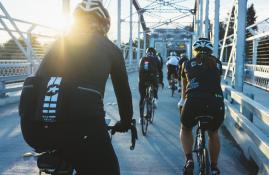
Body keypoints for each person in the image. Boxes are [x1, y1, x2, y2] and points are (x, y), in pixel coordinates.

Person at [19, 1, 133, 174]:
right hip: (83, 129)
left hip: (32, 130)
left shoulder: (59, 44)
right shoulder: (111, 49)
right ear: (105, 24)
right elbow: (123, 93)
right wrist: (125, 122)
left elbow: (38, 81)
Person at [180, 38, 224, 175]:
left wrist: (182, 101)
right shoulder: (218, 64)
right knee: (213, 133)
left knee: (186, 128)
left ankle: (189, 160)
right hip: (215, 103)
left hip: (193, 102)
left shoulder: (187, 63)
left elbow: (184, 85)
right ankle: (215, 167)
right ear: (211, 51)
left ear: (195, 51)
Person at [139, 47, 163, 118]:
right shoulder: (156, 59)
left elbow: (139, 70)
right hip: (153, 77)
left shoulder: (142, 58)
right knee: (155, 85)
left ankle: (141, 117)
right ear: (154, 53)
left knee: (142, 97)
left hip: (143, 78)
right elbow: (160, 71)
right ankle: (155, 98)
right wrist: (161, 81)